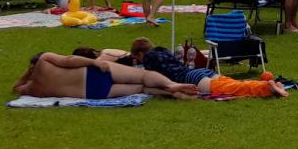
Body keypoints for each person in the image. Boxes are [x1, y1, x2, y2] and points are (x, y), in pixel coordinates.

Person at [117, 38, 288, 98]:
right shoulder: (162, 51)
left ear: (140, 54)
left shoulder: (149, 60)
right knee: (232, 83)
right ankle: (267, 85)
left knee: (232, 89)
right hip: (200, 72)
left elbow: (151, 80)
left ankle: (267, 87)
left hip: (192, 79)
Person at [12, 52, 199, 100]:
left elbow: (15, 88)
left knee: (142, 88)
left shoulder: (33, 89)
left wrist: (27, 73)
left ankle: (169, 93)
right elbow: (69, 60)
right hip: (92, 73)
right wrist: (93, 62)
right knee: (144, 75)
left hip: (93, 93)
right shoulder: (45, 59)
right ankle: (172, 84)